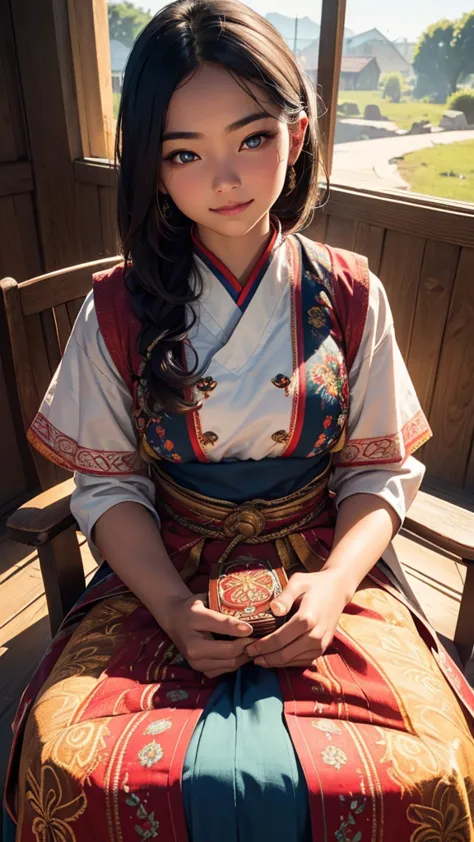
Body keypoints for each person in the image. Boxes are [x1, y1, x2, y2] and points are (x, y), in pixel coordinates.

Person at [4, 0, 474, 839]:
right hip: (162, 570)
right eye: (183, 153)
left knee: (423, 771)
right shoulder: (114, 308)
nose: (225, 180)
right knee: (73, 768)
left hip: (327, 564)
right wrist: (172, 609)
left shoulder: (354, 293)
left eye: (253, 138)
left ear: (298, 134)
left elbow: (378, 471)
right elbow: (108, 486)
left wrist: (332, 590)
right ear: (148, 167)